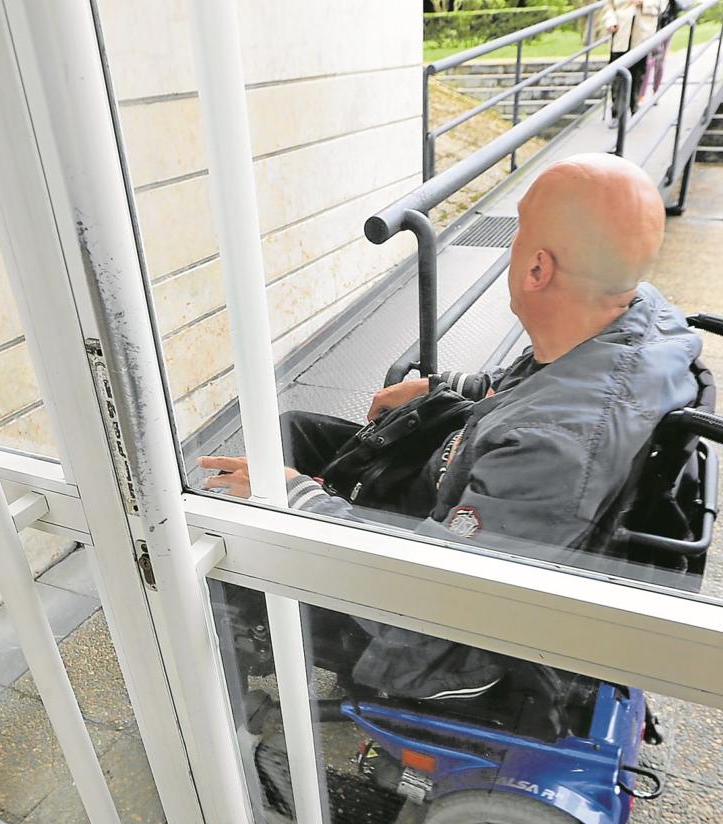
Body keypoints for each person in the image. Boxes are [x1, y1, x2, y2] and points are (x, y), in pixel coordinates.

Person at [200, 153, 702, 701]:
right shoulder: (628, 312)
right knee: (295, 429)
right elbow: (546, 383)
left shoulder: (555, 449)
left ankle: (226, 715)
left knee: (232, 550)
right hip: (466, 502)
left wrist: (294, 497)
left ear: (537, 270)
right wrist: (460, 388)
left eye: (516, 233)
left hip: (434, 633)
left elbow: (430, 592)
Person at [603, 0, 665, 128]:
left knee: (638, 73)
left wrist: (644, 3)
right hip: (621, 33)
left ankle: (634, 107)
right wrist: (611, 22)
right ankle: (616, 113)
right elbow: (608, 6)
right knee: (617, 75)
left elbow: (661, 6)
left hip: (642, 34)